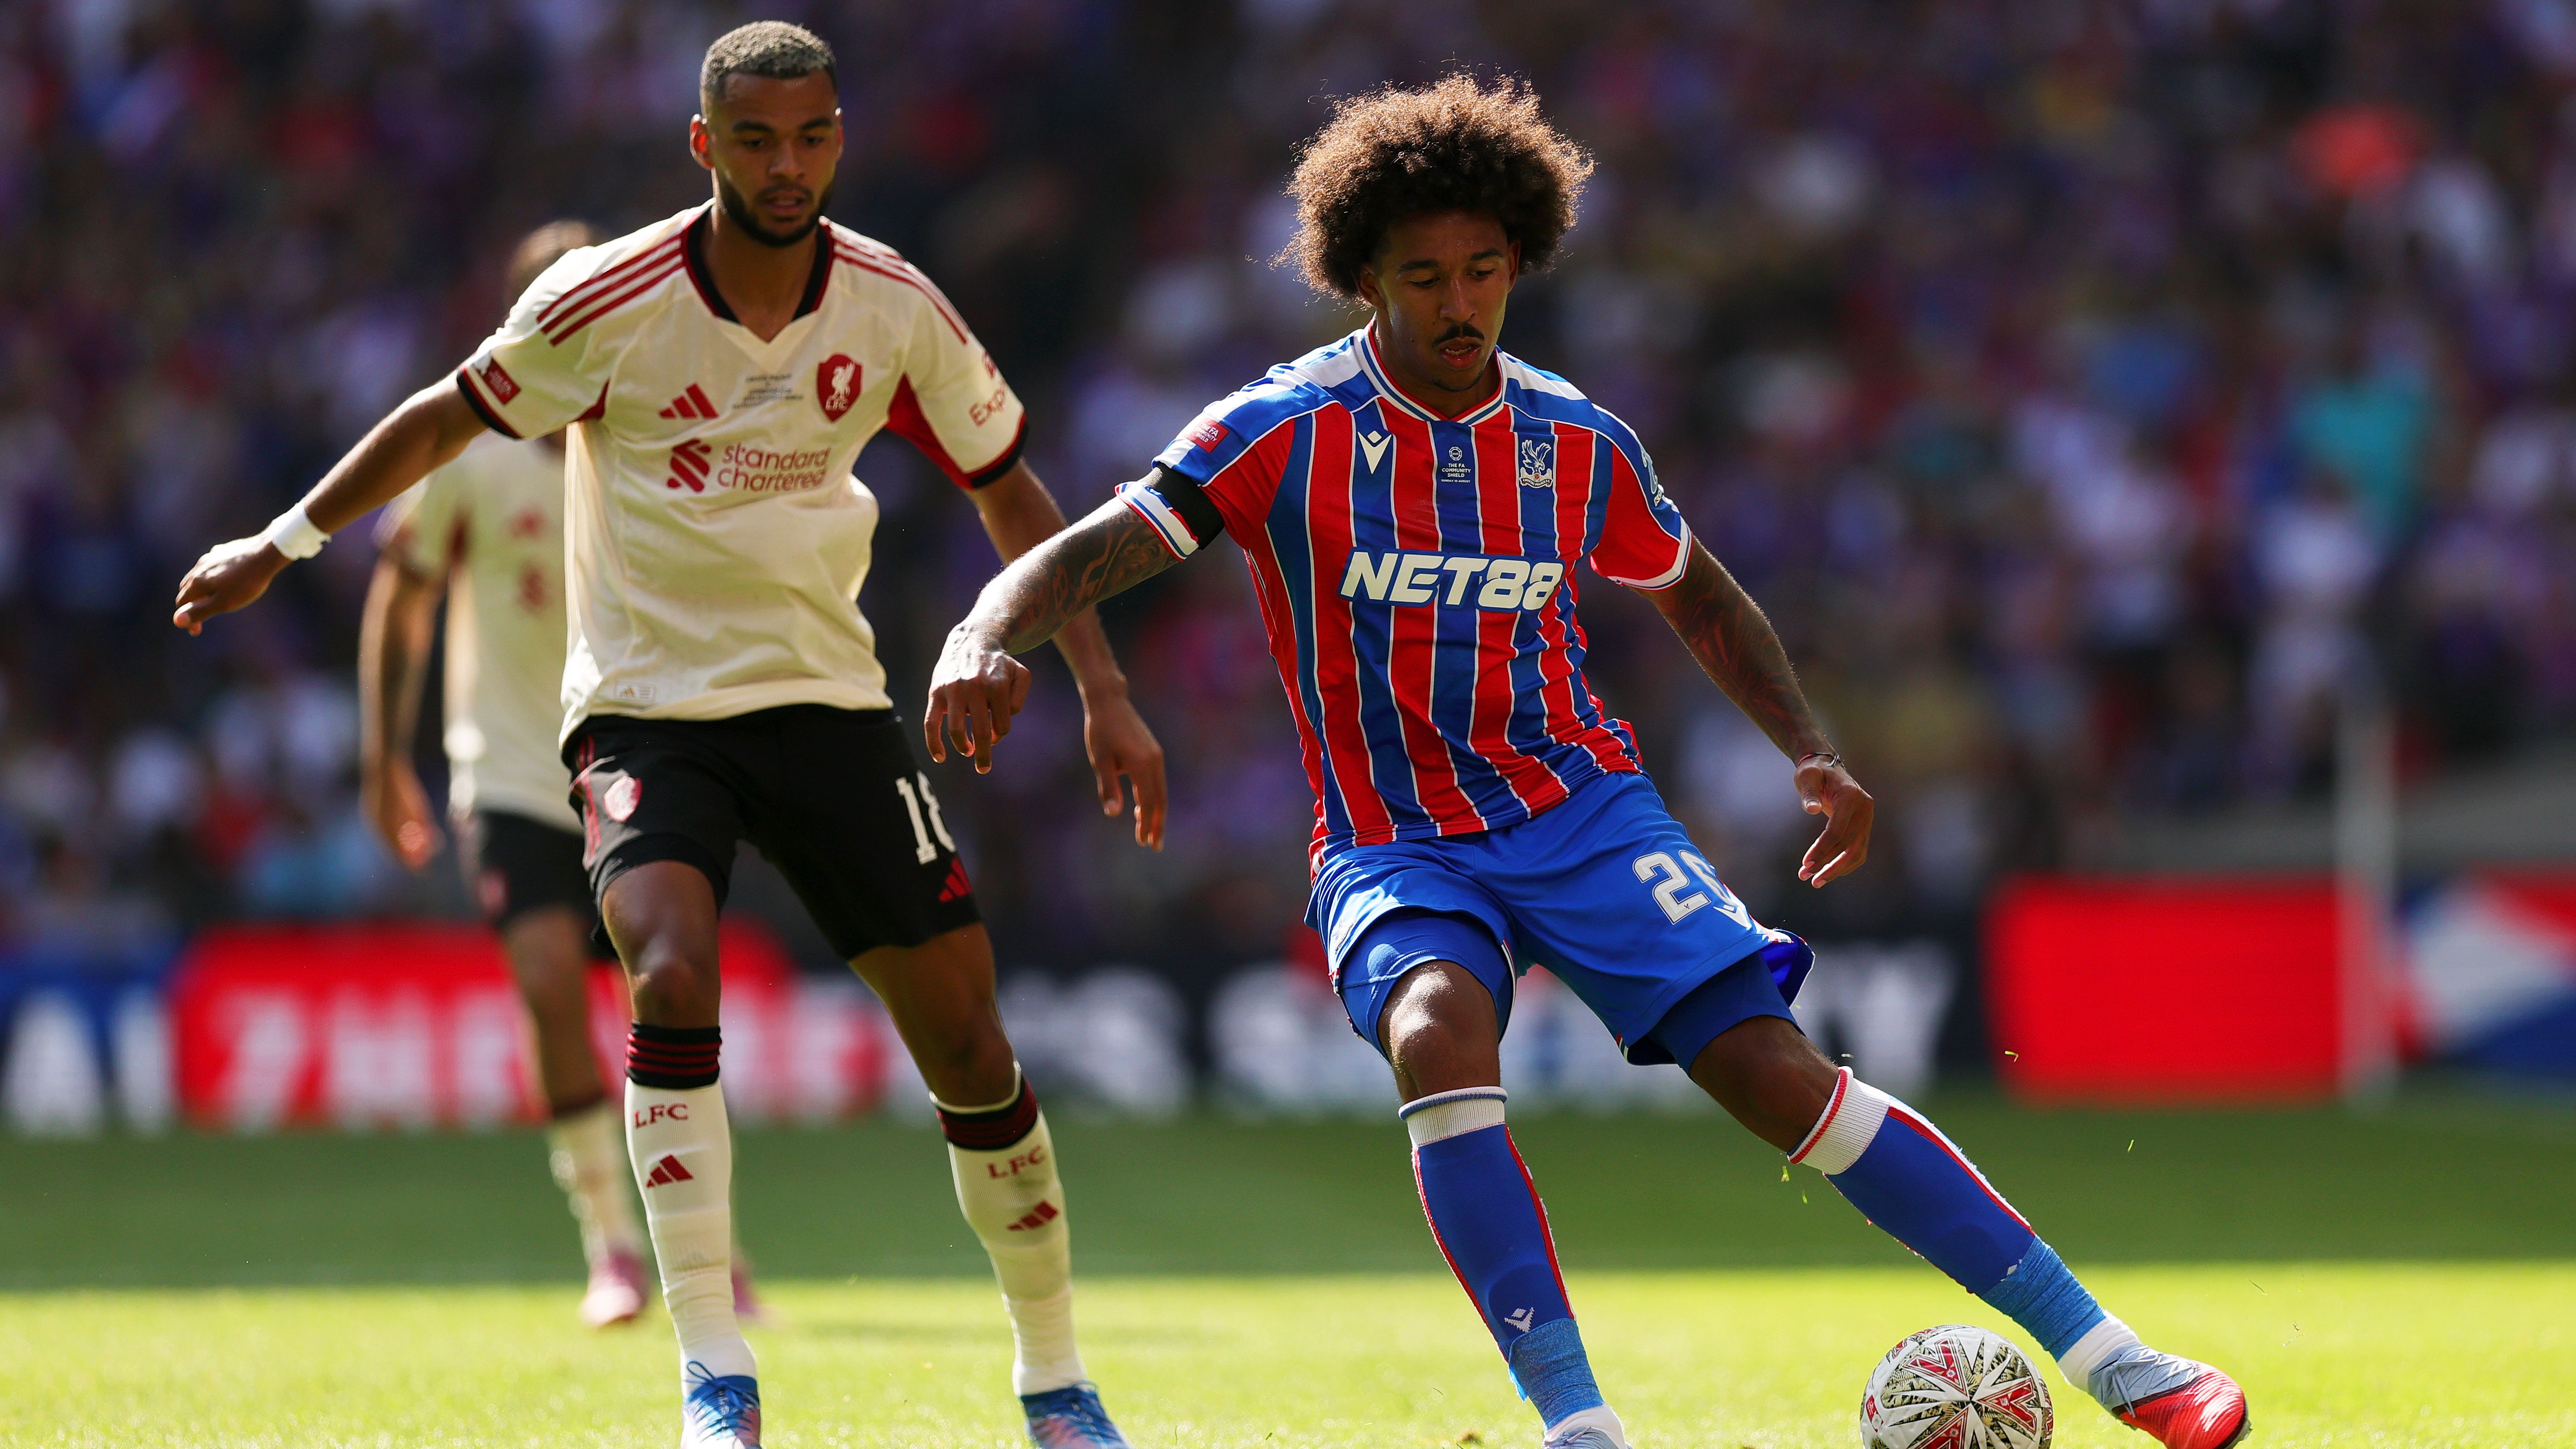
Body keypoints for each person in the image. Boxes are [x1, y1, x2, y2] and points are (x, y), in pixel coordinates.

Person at [926, 76, 2250, 1449]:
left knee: (1771, 1070)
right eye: (1423, 276)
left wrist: (1811, 750)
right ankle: (1578, 1425)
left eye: (1482, 270)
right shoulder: (1279, 429)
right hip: (1393, 837)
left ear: (1520, 260)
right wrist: (979, 630)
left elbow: (1698, 593)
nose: (1459, 304)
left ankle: (2120, 1363)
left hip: (1582, 809)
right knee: (1435, 1027)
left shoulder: (1572, 438)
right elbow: (1090, 549)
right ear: (1362, 279)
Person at [174, 23, 1163, 1449]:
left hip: (828, 701)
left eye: (810, 137)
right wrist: (280, 542)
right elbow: (443, 419)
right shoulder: (611, 297)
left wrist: (1100, 686)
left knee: (968, 1037)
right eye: (755, 140)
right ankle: (715, 1372)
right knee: (671, 971)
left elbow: (1011, 488)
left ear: (839, 139)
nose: (786, 165)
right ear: (705, 146)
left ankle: (1056, 1378)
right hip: (648, 709)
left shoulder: (892, 302)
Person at [360, 219, 775, 1333]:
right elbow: (402, 591)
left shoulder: (662, 433)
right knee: (549, 983)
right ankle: (610, 1246)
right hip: (508, 766)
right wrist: (383, 757)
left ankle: (712, 1250)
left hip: (637, 757)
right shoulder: (473, 454)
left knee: (667, 992)